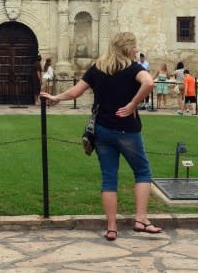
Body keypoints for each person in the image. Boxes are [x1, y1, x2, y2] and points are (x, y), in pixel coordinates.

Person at [40, 32, 159, 241]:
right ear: (128, 48)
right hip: (127, 129)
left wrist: (56, 97)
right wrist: (132, 105)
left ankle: (111, 227)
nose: (136, 50)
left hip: (102, 129)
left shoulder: (98, 68)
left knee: (109, 178)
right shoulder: (132, 68)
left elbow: (75, 92)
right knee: (142, 171)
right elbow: (148, 83)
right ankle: (141, 219)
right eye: (134, 47)